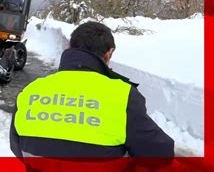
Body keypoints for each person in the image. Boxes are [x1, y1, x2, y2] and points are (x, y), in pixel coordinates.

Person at [10, 22, 174, 171]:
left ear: (69, 47)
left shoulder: (32, 90)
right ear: (109, 53)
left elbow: (17, 147)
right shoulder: (122, 95)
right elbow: (160, 155)